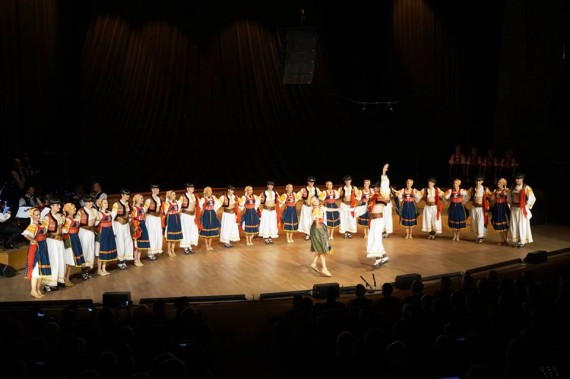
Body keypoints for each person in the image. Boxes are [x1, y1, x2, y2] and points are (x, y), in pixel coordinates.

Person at [21, 207, 51, 298]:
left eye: (39, 214)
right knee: (36, 271)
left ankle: (38, 289)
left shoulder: (41, 224)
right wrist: (32, 240)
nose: (38, 216)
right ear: (32, 216)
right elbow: (26, 234)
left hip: (43, 247)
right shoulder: (33, 225)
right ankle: (33, 290)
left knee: (40, 270)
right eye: (36, 215)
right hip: (36, 248)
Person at [507, 173, 536, 248]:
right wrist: (510, 204)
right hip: (514, 209)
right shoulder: (513, 187)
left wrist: (527, 203)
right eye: (516, 179)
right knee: (515, 224)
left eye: (518, 179)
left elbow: (532, 198)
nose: (516, 180)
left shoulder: (526, 187)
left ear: (522, 179)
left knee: (522, 225)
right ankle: (517, 239)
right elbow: (509, 197)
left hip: (522, 209)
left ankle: (522, 241)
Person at [367, 180, 390, 269]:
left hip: (378, 219)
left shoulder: (380, 196)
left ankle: (378, 259)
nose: (374, 188)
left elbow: (385, 201)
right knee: (374, 238)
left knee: (375, 239)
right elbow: (367, 208)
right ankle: (384, 256)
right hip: (373, 220)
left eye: (376, 187)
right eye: (374, 187)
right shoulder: (373, 197)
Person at [62, 202, 86, 287]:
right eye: (73, 208)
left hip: (75, 238)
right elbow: (64, 231)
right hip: (70, 240)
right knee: (69, 260)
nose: (75, 209)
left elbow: (79, 218)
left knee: (71, 261)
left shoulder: (74, 218)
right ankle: (65, 278)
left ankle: (66, 278)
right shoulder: (67, 220)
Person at [309, 196, 332, 277]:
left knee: (321, 247)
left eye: (316, 199)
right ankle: (324, 268)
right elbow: (317, 221)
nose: (316, 201)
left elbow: (328, 209)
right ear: (312, 203)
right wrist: (320, 229)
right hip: (317, 229)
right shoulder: (316, 209)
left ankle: (314, 263)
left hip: (319, 227)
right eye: (314, 201)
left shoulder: (320, 207)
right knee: (322, 249)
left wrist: (340, 210)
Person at [77, 195, 98, 279]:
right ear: (85, 203)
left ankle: (88, 270)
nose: (90, 203)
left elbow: (97, 222)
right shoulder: (81, 211)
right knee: (85, 250)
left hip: (91, 233)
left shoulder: (94, 211)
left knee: (90, 250)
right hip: (84, 232)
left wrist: (94, 224)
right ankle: (83, 271)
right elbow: (77, 222)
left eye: (91, 201)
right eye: (88, 202)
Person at [112, 188, 134, 269]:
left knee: (127, 241)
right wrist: (114, 230)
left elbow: (129, 215)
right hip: (119, 226)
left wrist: (129, 220)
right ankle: (120, 260)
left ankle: (124, 258)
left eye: (128, 195)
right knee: (120, 242)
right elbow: (112, 217)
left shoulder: (128, 204)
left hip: (126, 226)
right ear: (122, 195)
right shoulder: (116, 204)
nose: (128, 196)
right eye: (126, 195)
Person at [96, 198, 117, 275]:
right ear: (101, 204)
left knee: (107, 250)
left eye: (107, 203)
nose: (107, 204)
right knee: (102, 251)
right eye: (105, 203)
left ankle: (104, 268)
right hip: (103, 232)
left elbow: (113, 221)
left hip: (109, 231)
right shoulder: (99, 214)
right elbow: (96, 224)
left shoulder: (109, 213)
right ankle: (99, 269)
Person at [468, 176, 492, 243]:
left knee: (481, 222)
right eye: (477, 181)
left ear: (482, 182)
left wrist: (488, 205)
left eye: (479, 181)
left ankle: (481, 236)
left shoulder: (485, 189)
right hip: (474, 208)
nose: (478, 182)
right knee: (475, 221)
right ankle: (478, 235)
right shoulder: (472, 189)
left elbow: (490, 197)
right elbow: (467, 195)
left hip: (481, 208)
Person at [179, 183, 201, 254]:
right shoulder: (183, 196)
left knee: (193, 230)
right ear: (187, 188)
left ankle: (190, 246)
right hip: (185, 215)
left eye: (193, 187)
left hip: (192, 216)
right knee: (186, 231)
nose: (192, 188)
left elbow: (200, 204)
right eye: (191, 187)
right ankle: (186, 247)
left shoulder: (195, 196)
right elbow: (178, 204)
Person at [297, 176, 321, 240]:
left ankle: (312, 233)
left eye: (312, 182)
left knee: (313, 220)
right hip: (306, 207)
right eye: (310, 182)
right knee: (306, 220)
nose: (311, 183)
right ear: (308, 182)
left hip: (313, 207)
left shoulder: (316, 189)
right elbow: (297, 196)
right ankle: (307, 234)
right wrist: (303, 198)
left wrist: (317, 202)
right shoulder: (304, 189)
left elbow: (321, 196)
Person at [144, 184, 163, 260]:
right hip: (150, 218)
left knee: (157, 233)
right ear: (152, 190)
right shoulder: (148, 200)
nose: (158, 190)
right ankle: (150, 252)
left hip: (157, 218)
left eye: (158, 189)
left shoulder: (158, 199)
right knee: (151, 234)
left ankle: (155, 250)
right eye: (156, 189)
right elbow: (144, 210)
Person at [198, 186, 221, 251]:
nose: (211, 192)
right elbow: (199, 207)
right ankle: (206, 246)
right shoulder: (203, 199)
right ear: (207, 192)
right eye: (210, 190)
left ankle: (210, 245)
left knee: (211, 229)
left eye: (211, 190)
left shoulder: (213, 198)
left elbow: (217, 204)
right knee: (206, 229)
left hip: (212, 213)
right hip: (206, 214)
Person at [130, 193, 150, 266]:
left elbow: (145, 208)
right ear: (137, 200)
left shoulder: (141, 208)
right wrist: (136, 226)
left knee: (140, 244)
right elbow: (132, 217)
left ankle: (138, 259)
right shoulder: (134, 208)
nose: (142, 199)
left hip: (142, 224)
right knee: (136, 244)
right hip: (137, 226)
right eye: (141, 198)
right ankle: (135, 260)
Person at [490, 178, 510, 246]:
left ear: (504, 183)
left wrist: (502, 189)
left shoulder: (506, 190)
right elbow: (491, 198)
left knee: (505, 223)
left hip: (503, 207)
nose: (498, 183)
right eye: (498, 181)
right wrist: (492, 194)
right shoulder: (495, 190)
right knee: (499, 223)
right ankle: (502, 239)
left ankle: (506, 239)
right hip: (497, 207)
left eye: (500, 182)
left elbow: (508, 197)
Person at [338, 175, 358, 239]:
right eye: (346, 180)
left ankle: (349, 231)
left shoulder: (354, 188)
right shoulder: (341, 188)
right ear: (344, 181)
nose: (347, 182)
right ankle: (345, 231)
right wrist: (340, 194)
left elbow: (358, 196)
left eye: (349, 180)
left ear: (351, 181)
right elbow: (337, 195)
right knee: (344, 218)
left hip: (351, 205)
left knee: (351, 218)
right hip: (344, 204)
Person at [163, 190, 183, 256]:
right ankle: (169, 250)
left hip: (176, 218)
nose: (175, 196)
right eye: (173, 194)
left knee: (175, 236)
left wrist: (178, 212)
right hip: (170, 219)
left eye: (175, 194)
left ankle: (173, 250)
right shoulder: (167, 203)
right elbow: (164, 212)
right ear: (170, 196)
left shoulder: (177, 202)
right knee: (170, 236)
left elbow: (179, 209)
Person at [379, 164, 394, 238]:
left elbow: (396, 193)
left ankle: (387, 230)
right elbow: (383, 178)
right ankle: (382, 231)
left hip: (387, 205)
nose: (386, 182)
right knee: (381, 217)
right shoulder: (380, 189)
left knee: (387, 217)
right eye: (384, 181)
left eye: (387, 181)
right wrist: (383, 171)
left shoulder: (390, 189)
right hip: (381, 205)